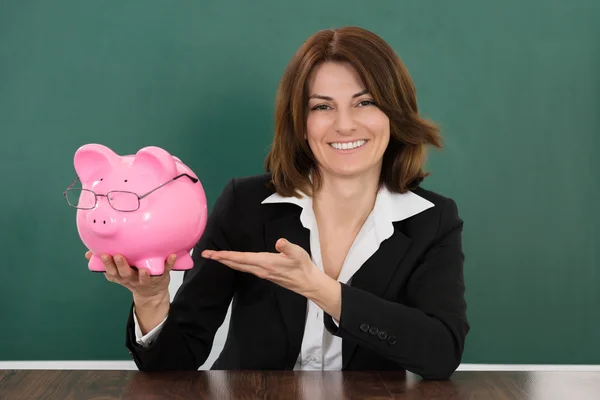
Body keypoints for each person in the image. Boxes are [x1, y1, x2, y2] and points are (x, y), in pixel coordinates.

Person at [88, 26, 469, 380]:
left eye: (364, 102)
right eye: (322, 107)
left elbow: (441, 354)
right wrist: (151, 297)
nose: (345, 125)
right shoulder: (245, 205)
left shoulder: (431, 221)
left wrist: (322, 290)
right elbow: (173, 362)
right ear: (300, 123)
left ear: (394, 113)